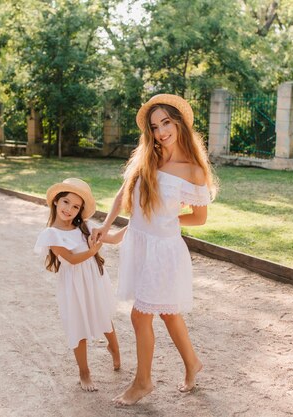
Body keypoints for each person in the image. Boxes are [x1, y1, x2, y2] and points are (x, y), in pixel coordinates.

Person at [91, 94, 218, 405]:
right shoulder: (148, 155)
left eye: (166, 123)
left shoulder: (193, 171)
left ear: (179, 123)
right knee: (167, 312)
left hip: (164, 251)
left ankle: (143, 381)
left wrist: (168, 216)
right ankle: (192, 364)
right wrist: (106, 228)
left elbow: (199, 218)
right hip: (140, 244)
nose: (161, 132)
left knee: (140, 315)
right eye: (155, 126)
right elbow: (126, 192)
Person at [34, 178, 127, 392]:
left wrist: (135, 226)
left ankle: (114, 348)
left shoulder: (85, 227)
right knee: (79, 325)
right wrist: (93, 251)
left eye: (75, 206)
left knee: (104, 315)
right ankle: (84, 372)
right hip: (73, 285)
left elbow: (112, 238)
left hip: (94, 279)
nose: (69, 209)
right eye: (66, 202)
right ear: (56, 201)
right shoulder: (51, 234)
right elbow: (71, 259)